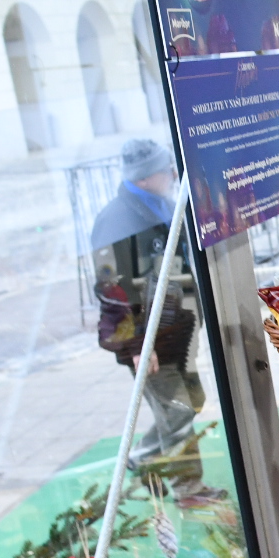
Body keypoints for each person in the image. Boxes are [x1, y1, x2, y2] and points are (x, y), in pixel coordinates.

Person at [90, 138, 223, 507]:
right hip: (146, 340)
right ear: (145, 177)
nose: (171, 174)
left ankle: (146, 456)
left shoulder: (160, 204)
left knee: (191, 400)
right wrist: (136, 346)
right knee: (177, 409)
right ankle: (188, 491)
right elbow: (109, 289)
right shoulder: (117, 221)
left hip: (173, 333)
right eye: (165, 168)